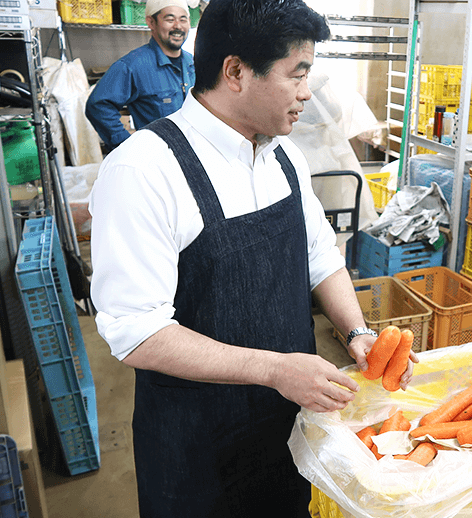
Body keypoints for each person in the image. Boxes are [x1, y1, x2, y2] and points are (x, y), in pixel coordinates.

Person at [88, 1, 416, 516]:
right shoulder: (145, 170)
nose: (307, 93)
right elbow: (137, 331)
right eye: (297, 75)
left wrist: (357, 334)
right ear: (236, 71)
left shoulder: (285, 155)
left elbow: (319, 254)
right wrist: (274, 370)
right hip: (196, 443)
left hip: (289, 425)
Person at [85, 0, 195, 150]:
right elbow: (98, 106)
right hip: (158, 160)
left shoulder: (194, 64)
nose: (178, 26)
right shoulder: (133, 65)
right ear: (151, 22)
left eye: (183, 19)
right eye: (170, 19)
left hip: (195, 157)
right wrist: (128, 146)